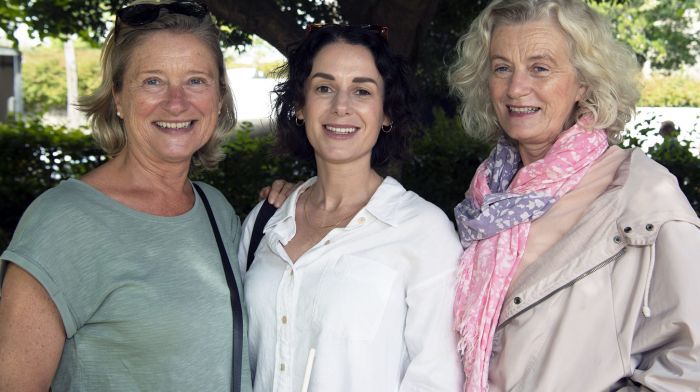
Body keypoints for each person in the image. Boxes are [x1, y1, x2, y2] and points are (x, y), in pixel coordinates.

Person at [0, 1, 294, 390]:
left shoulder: (214, 209)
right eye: (153, 81)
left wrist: (300, 203)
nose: (176, 102)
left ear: (218, 98)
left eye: (196, 81)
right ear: (118, 98)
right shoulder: (64, 221)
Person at [448, 0, 700, 390]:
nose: (516, 88)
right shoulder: (488, 193)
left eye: (540, 68)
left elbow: (689, 363)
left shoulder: (643, 195)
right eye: (502, 68)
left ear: (584, 82)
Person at [238, 24, 464, 391]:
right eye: (324, 88)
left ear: (386, 113)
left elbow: (438, 379)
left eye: (362, 91)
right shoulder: (264, 221)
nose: (341, 106)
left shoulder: (423, 232)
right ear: (300, 104)